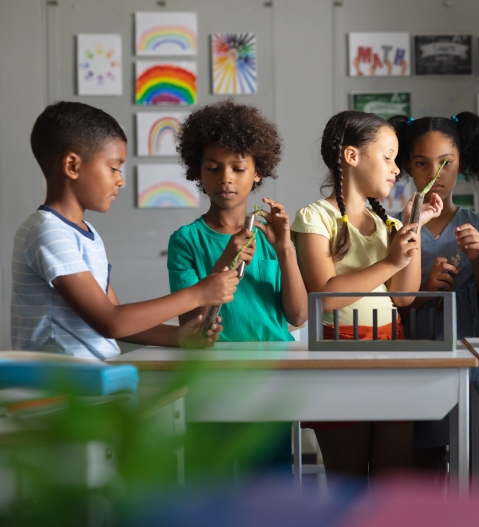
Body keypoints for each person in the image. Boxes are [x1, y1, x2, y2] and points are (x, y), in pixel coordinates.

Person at [11, 101, 236, 360]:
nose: (121, 180)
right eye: (113, 168)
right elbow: (111, 322)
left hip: (93, 383)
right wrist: (199, 293)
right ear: (72, 166)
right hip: (59, 392)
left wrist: (179, 336)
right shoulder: (48, 233)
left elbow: (116, 318)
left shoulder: (85, 233)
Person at [291, 110, 441, 478]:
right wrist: (390, 262)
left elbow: (404, 297)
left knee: (393, 480)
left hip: (392, 349)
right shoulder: (314, 218)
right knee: (349, 482)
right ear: (352, 156)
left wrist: (412, 229)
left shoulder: (387, 224)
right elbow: (324, 296)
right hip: (337, 355)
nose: (396, 169)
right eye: (388, 157)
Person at [387, 112, 479, 474]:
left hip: (475, 359)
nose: (434, 175)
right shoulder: (393, 226)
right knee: (424, 462)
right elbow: (388, 309)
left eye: (445, 163)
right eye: (421, 163)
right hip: (416, 360)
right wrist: (424, 291)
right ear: (407, 165)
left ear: (461, 163)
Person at [168, 100, 307, 341]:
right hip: (218, 366)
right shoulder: (186, 240)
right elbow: (192, 325)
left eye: (238, 169)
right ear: (198, 171)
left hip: (277, 364)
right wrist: (226, 260)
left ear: (257, 172)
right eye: (213, 168)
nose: (225, 178)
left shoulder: (273, 238)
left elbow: (299, 316)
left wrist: (285, 250)